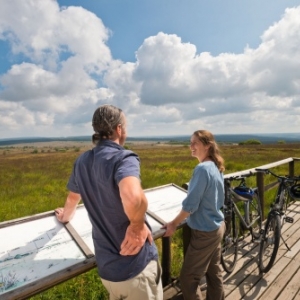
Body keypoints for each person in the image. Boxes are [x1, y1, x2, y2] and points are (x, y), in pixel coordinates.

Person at [55, 104, 163, 300]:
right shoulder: (123, 158)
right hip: (136, 268)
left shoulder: (82, 161)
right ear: (119, 129)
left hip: (108, 271)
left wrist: (65, 217)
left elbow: (73, 198)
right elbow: (133, 197)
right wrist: (137, 225)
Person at [163, 130, 225, 300]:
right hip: (217, 226)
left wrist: (174, 223)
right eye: (190, 143)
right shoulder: (215, 165)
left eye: (195, 143)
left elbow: (191, 205)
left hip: (205, 231)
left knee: (188, 278)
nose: (191, 146)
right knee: (214, 273)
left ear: (207, 145)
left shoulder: (202, 169)